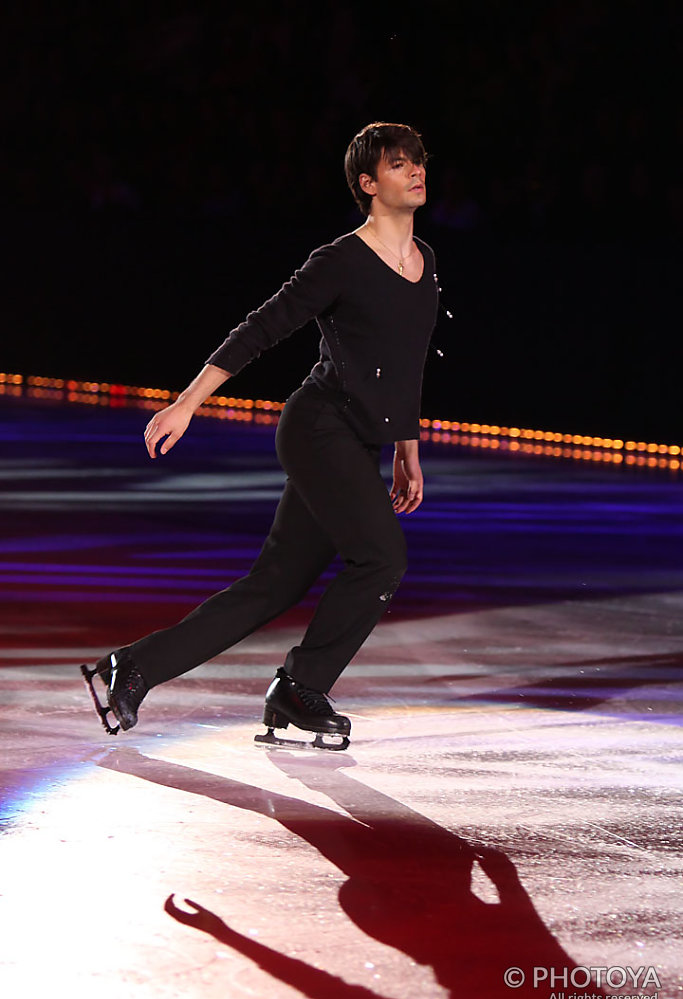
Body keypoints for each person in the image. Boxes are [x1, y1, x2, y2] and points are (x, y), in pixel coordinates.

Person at [82, 121, 439, 749]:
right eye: (398, 164)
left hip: (358, 440)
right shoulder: (341, 260)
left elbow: (407, 362)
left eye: (418, 161)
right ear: (367, 183)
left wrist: (407, 450)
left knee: (273, 584)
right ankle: (301, 688)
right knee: (382, 557)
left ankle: (134, 666)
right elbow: (261, 328)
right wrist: (187, 403)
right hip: (318, 428)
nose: (416, 171)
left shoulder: (424, 261)